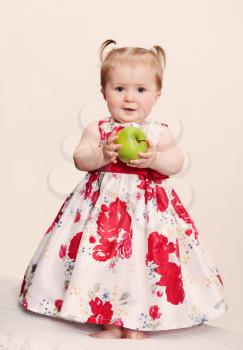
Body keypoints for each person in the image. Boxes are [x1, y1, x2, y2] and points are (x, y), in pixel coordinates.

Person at [18, 39, 228, 340]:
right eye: (119, 89)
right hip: (102, 213)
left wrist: (156, 157)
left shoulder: (158, 131)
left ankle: (136, 320)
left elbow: (176, 162)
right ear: (104, 92)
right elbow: (80, 158)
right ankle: (110, 321)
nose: (129, 98)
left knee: (142, 264)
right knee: (101, 262)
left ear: (157, 95)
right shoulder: (99, 129)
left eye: (140, 90)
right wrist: (101, 154)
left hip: (149, 213)